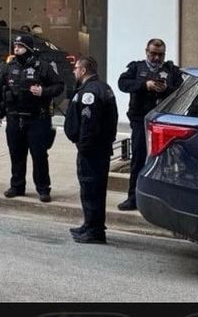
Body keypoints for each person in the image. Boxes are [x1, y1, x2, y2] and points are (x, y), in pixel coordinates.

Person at [0, 33, 63, 201]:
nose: (16, 49)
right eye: (15, 46)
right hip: (15, 117)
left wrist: (43, 91)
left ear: (29, 49)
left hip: (37, 118)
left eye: (20, 47)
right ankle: (17, 186)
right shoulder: (9, 67)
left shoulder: (42, 66)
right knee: (16, 154)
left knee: (39, 155)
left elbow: (59, 86)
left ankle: (43, 188)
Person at [116, 38, 183, 210]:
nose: (156, 58)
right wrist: (145, 85)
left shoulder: (171, 70)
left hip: (164, 122)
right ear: (146, 51)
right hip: (141, 121)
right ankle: (133, 198)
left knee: (165, 161)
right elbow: (122, 83)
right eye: (153, 54)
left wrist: (166, 89)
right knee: (138, 159)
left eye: (160, 55)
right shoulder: (136, 68)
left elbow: (182, 90)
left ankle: (162, 201)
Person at [65, 55, 118, 244]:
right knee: (90, 189)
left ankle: (95, 231)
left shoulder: (91, 92)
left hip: (93, 151)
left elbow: (90, 123)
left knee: (91, 189)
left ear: (84, 70)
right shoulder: (101, 87)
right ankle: (89, 224)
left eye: (76, 68)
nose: (74, 71)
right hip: (96, 149)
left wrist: (84, 146)